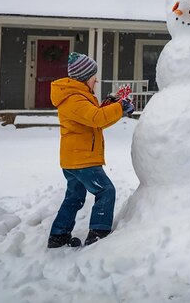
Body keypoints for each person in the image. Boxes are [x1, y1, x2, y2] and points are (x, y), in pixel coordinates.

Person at [47, 52, 134, 248]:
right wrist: (119, 108)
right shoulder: (74, 99)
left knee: (74, 197)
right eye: (94, 77)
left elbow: (95, 122)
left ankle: (58, 235)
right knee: (105, 190)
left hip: (74, 159)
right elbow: (96, 118)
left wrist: (112, 106)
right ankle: (98, 233)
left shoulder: (77, 96)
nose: (97, 81)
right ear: (85, 77)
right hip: (82, 160)